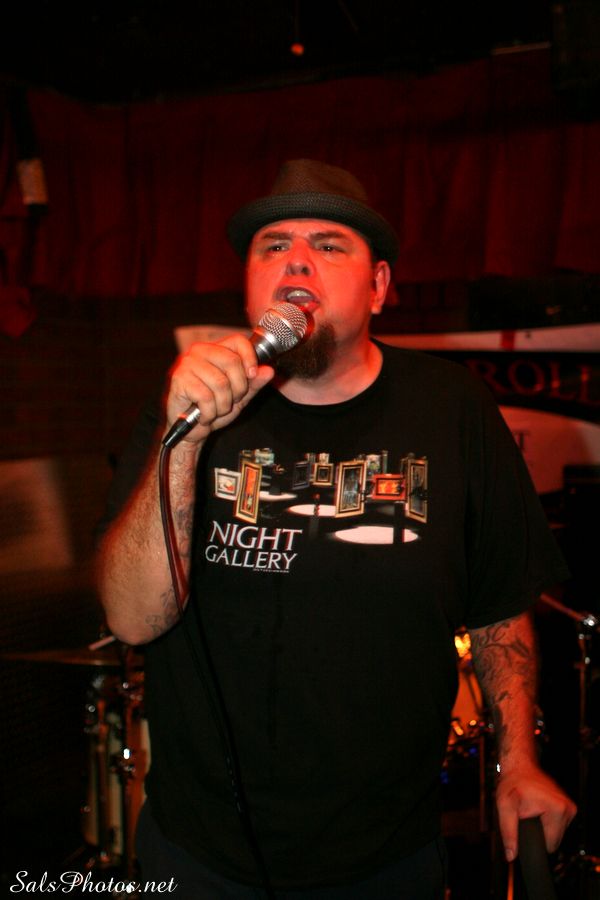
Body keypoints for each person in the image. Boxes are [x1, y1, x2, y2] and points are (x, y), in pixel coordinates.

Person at [96, 159, 576, 898]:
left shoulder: (452, 408)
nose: (295, 260)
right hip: (202, 853)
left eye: (327, 244)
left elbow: (498, 608)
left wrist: (520, 763)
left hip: (386, 855)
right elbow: (132, 619)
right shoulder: (188, 408)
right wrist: (184, 438)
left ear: (378, 286)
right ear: (249, 285)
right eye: (272, 245)